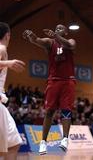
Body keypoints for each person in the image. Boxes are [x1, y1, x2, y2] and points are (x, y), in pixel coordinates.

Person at [23, 24, 76, 155]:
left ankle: (65, 139)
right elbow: (37, 40)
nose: (57, 30)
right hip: (54, 81)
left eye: (60, 29)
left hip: (68, 80)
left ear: (66, 32)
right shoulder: (50, 42)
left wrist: (57, 36)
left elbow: (71, 46)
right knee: (49, 112)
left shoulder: (70, 41)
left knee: (66, 110)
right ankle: (43, 142)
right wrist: (31, 35)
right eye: (56, 28)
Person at [0, 22, 25, 160]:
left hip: (1, 104)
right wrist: (8, 63)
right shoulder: (1, 48)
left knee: (14, 144)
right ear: (8, 35)